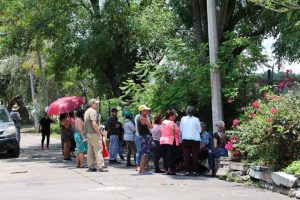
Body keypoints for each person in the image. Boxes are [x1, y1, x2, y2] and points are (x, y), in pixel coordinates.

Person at [84, 99, 105, 172]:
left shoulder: (87, 111)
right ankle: (100, 165)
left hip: (89, 133)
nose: (97, 105)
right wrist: (99, 132)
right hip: (94, 133)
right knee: (98, 149)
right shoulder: (93, 111)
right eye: (96, 103)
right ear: (92, 104)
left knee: (90, 150)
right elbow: (94, 123)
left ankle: (90, 166)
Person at [180, 106, 201, 176]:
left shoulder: (183, 118)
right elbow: (200, 130)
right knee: (195, 155)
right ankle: (195, 171)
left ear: (186, 112)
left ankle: (187, 171)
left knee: (186, 155)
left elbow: (181, 129)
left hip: (185, 138)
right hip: (195, 139)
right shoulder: (196, 119)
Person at [160, 109, 180, 175]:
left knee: (165, 155)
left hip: (163, 140)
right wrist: (173, 137)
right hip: (171, 140)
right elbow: (173, 131)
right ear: (171, 116)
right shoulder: (171, 123)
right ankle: (170, 169)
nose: (175, 116)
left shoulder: (163, 122)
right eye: (175, 115)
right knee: (171, 156)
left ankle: (166, 169)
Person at [137, 105, 153, 175]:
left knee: (145, 153)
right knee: (145, 154)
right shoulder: (142, 118)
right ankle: (142, 170)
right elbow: (151, 126)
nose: (147, 111)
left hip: (143, 136)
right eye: (145, 110)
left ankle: (142, 169)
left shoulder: (139, 117)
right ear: (142, 111)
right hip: (145, 137)